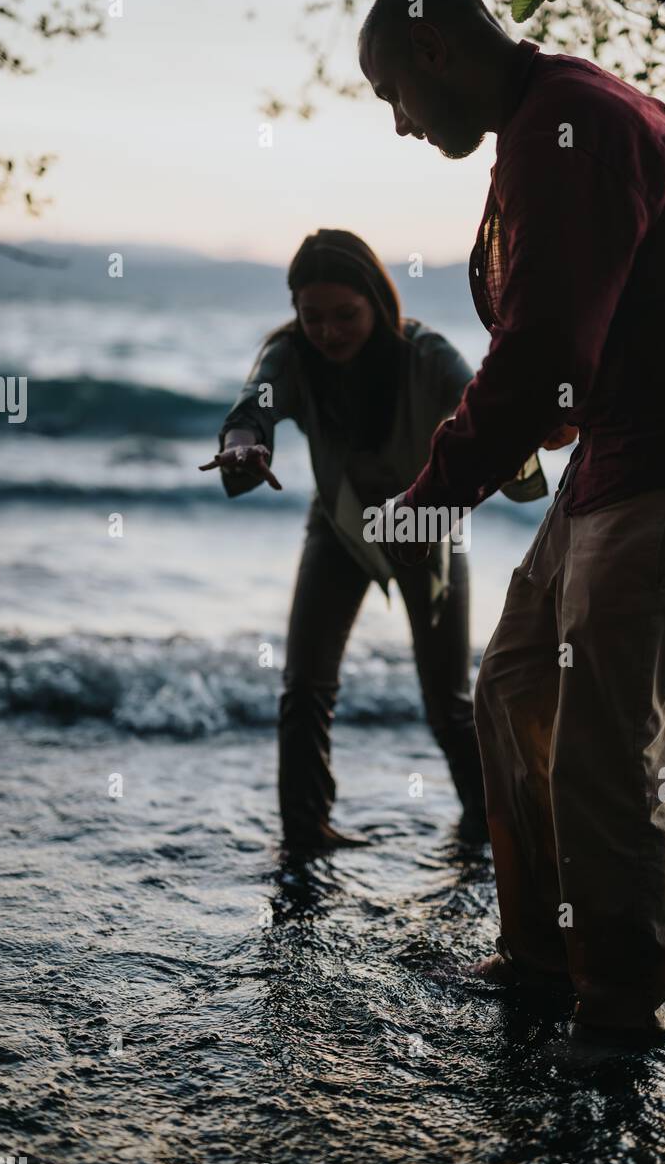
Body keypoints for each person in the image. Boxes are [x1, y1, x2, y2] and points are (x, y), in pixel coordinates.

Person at [358, 0, 665, 1047]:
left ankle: (617, 1004)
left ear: (436, 52)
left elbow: (548, 350)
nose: (400, 128)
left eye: (391, 96)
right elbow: (565, 344)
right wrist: (514, 433)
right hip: (618, 455)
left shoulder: (571, 125)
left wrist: (429, 497)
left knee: (602, 739)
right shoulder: (540, 132)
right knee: (512, 687)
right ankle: (544, 953)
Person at [201, 228, 547, 853]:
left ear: (378, 303)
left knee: (447, 703)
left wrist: (536, 420)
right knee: (305, 689)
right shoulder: (290, 355)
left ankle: (492, 829)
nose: (329, 332)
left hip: (424, 527)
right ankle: (306, 834)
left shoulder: (425, 354)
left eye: (345, 316)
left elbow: (485, 413)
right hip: (339, 527)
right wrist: (241, 447)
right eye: (313, 318)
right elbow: (254, 406)